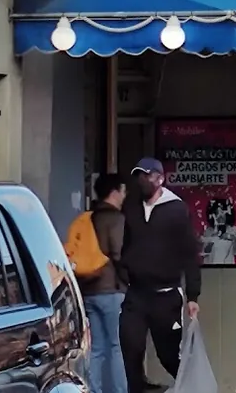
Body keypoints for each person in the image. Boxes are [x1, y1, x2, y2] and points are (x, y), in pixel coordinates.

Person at [119, 157, 201, 393]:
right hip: (137, 294)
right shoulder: (133, 208)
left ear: (160, 178)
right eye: (139, 176)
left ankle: (193, 388)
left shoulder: (176, 209)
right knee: (130, 345)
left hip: (166, 296)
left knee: (168, 355)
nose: (142, 180)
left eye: (147, 175)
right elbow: (128, 244)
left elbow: (189, 254)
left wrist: (193, 295)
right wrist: (125, 268)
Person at [81, 173, 129, 393]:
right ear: (115, 192)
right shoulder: (116, 219)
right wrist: (129, 281)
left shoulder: (87, 218)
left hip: (88, 289)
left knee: (97, 348)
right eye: (123, 190)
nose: (125, 195)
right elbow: (119, 254)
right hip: (111, 290)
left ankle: (94, 390)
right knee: (116, 346)